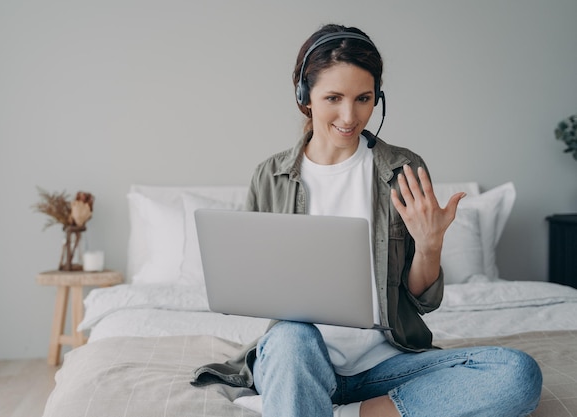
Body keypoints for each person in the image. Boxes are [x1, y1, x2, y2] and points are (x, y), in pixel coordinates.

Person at [192, 23, 542, 417]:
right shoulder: (269, 175)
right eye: (333, 98)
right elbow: (256, 287)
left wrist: (430, 245)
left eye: (363, 98)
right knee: (291, 337)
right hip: (299, 359)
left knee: (517, 373)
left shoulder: (402, 170)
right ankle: (303, 398)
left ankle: (339, 412)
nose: (349, 115)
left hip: (386, 365)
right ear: (304, 96)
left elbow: (420, 301)